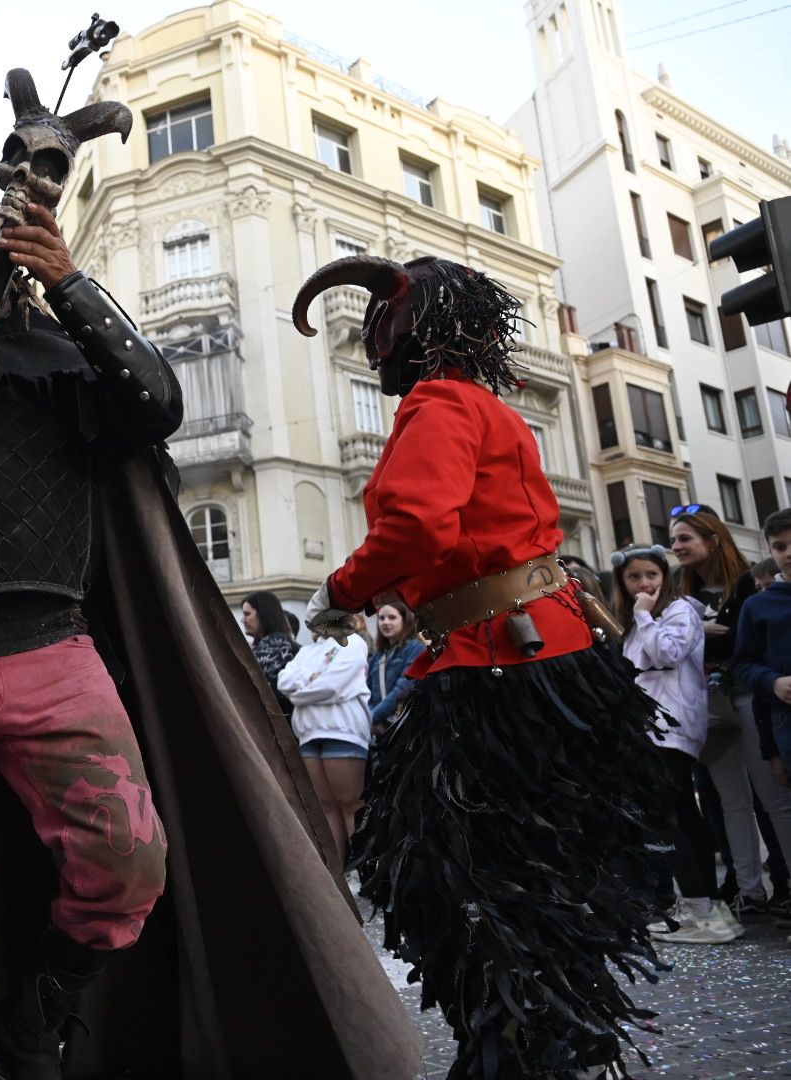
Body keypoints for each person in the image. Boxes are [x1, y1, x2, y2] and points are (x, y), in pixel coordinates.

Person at [0, 79, 418, 1079]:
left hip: (52, 656)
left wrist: (69, 279)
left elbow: (155, 401)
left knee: (127, 864)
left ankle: (38, 1021)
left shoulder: (62, 348)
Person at [294, 253, 668, 1077]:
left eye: (378, 335)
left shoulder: (435, 405)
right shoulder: (486, 406)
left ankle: (520, 1047)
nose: (373, 351)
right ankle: (542, 1038)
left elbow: (421, 526)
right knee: (542, 865)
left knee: (462, 868)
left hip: (498, 664)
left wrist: (342, 585)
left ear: (405, 332)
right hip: (552, 656)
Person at [611, 545, 736, 944]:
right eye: (634, 578)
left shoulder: (678, 610)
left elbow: (667, 653)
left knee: (665, 816)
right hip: (648, 729)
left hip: (669, 728)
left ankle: (700, 908)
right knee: (682, 813)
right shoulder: (633, 620)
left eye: (651, 574)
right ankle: (710, 908)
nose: (644, 583)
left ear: (665, 575)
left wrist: (644, 614)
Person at [671, 507, 791, 920]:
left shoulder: (747, 587)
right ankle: (748, 890)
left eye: (685, 538)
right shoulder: (679, 590)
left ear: (713, 539)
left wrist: (694, 635)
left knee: (773, 799)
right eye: (674, 539)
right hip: (707, 703)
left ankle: (784, 884)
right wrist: (698, 633)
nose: (677, 547)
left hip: (748, 698)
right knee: (729, 801)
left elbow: (741, 649)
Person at [276, 614, 371, 860]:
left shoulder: (352, 643)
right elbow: (284, 680)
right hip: (309, 732)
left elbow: (333, 685)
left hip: (342, 730)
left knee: (351, 805)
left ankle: (364, 870)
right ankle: (338, 874)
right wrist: (312, 677)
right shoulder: (308, 651)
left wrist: (301, 690)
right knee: (325, 807)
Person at [733, 508, 791, 801]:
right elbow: (743, 664)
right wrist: (773, 682)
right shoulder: (757, 606)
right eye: (780, 547)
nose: (789, 553)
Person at [366, 600, 424, 735]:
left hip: (404, 726)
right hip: (378, 728)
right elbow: (367, 691)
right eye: (381, 618)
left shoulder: (415, 648)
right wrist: (373, 720)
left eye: (392, 617)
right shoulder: (378, 655)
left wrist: (372, 717)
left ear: (405, 620)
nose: (385, 622)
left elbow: (404, 687)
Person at [244, 590, 299, 713]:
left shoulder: (277, 644)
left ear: (263, 614)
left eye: (247, 614)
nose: (243, 620)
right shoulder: (265, 644)